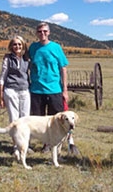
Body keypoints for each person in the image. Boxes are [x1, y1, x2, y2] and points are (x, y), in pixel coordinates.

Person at [29, 22, 77, 153]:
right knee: (39, 121)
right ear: (36, 33)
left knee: (57, 120)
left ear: (49, 32)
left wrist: (65, 90)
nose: (42, 33)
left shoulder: (56, 48)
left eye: (45, 31)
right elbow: (25, 61)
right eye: (40, 31)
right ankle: (45, 143)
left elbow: (63, 69)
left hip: (54, 89)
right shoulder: (33, 48)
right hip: (36, 90)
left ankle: (58, 144)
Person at [0, 35, 30, 123]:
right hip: (11, 90)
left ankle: (23, 137)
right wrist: (1, 97)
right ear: (11, 46)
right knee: (14, 119)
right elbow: (2, 77)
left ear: (23, 45)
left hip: (24, 90)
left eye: (19, 44)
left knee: (25, 118)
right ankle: (14, 137)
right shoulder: (8, 58)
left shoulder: (26, 58)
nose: (17, 47)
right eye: (15, 44)